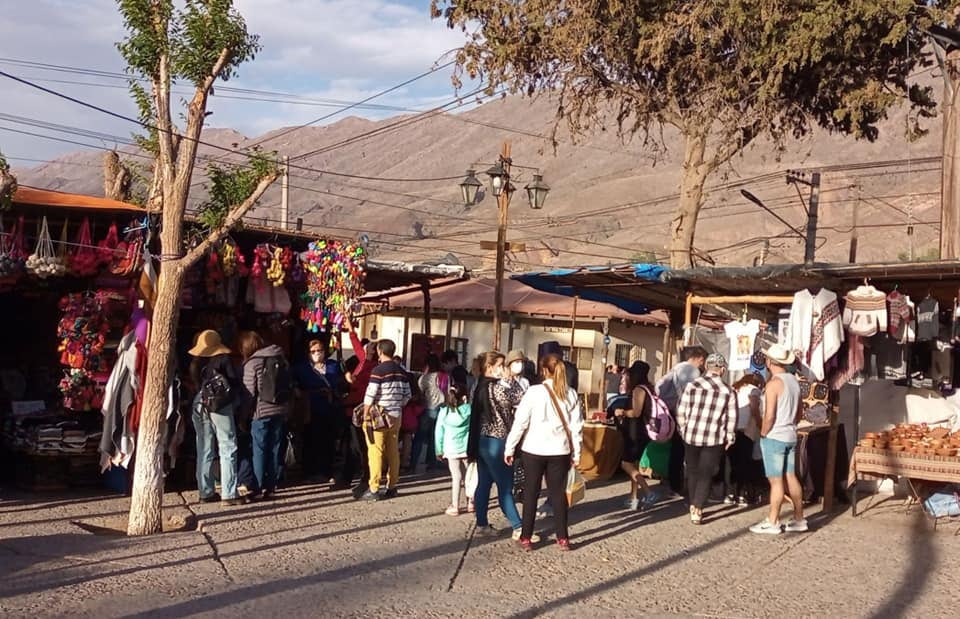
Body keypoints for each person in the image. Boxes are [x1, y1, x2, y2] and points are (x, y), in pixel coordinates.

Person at [505, 353, 584, 551]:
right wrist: (577, 453)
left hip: (533, 448)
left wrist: (510, 447)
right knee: (558, 494)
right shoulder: (571, 393)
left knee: (531, 492)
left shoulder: (533, 392)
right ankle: (563, 537)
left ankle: (526, 536)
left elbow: (520, 423)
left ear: (543, 370)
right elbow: (577, 427)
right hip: (560, 450)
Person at [466, 352, 525, 539]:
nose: (504, 368)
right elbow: (520, 398)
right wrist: (512, 380)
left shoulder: (478, 385)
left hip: (482, 439)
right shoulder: (497, 388)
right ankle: (519, 527)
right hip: (498, 441)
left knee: (484, 483)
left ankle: (482, 523)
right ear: (490, 367)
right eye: (501, 365)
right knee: (505, 486)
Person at [751, 344, 807, 535]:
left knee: (776, 481)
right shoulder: (794, 382)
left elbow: (770, 415)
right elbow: (800, 412)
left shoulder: (773, 383)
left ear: (769, 362)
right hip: (791, 434)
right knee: (790, 475)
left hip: (775, 435)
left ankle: (773, 520)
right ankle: (799, 518)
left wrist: (764, 432)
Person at [676, 353, 737, 525]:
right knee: (706, 472)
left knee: (693, 469)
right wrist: (730, 437)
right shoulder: (728, 391)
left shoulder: (692, 386)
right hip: (714, 437)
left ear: (707, 367)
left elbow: (681, 410)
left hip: (692, 435)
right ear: (722, 369)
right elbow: (731, 417)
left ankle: (693, 502)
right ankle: (698, 506)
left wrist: (683, 428)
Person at [188, 330, 243, 506]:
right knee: (228, 446)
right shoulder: (223, 360)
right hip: (220, 404)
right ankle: (229, 492)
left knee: (204, 448)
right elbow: (233, 382)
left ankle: (205, 491)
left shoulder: (196, 363)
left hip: (199, 402)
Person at [240, 331, 291, 500]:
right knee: (275, 448)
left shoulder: (252, 363)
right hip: (280, 409)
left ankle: (258, 486)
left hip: (261, 411)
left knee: (259, 450)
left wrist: (244, 415)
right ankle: (272, 486)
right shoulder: (280, 357)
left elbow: (249, 392)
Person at [360, 339, 411, 501]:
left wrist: (366, 415)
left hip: (379, 415)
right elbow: (407, 395)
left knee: (375, 451)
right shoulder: (402, 372)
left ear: (380, 351)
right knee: (393, 451)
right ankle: (392, 486)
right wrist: (397, 405)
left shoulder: (378, 370)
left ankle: (374, 488)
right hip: (396, 416)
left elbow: (370, 395)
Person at [656, 345, 708, 495]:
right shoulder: (691, 371)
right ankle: (681, 486)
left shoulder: (676, 368)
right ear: (700, 359)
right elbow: (691, 395)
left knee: (676, 451)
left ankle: (673, 483)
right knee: (685, 452)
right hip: (684, 415)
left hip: (671, 412)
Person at [611, 361, 656, 511]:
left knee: (626, 464)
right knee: (634, 465)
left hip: (635, 432)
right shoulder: (650, 388)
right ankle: (633, 497)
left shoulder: (638, 390)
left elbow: (636, 412)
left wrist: (621, 412)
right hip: (644, 432)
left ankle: (649, 492)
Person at [295, 339, 340, 485]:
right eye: (313, 351)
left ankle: (326, 471)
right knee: (310, 441)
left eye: (319, 350)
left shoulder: (333, 365)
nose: (317, 354)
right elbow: (294, 383)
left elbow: (339, 383)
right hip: (310, 408)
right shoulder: (302, 368)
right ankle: (309, 472)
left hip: (329, 407)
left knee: (328, 441)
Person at [727, 373, 765, 506]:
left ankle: (731, 493)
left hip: (732, 428)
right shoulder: (754, 390)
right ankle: (742, 494)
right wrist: (761, 424)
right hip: (746, 430)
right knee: (744, 462)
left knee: (733, 463)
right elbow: (754, 408)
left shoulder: (736, 388)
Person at [435, 383, 473, 515]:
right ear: (464, 397)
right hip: (466, 446)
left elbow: (438, 432)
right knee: (469, 474)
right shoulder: (469, 410)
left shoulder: (444, 411)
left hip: (450, 447)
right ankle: (471, 502)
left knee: (456, 476)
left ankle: (455, 505)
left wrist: (438, 449)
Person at [413, 354, 447, 472]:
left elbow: (420, 392)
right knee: (435, 437)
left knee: (419, 437)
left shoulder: (424, 378)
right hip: (441, 408)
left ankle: (413, 462)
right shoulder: (443, 376)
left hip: (427, 408)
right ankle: (432, 462)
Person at [399, 376, 424, 472]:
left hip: (399, 418)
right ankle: (404, 463)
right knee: (407, 441)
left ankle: (389, 463)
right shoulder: (416, 396)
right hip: (410, 421)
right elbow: (420, 408)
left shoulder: (402, 393)